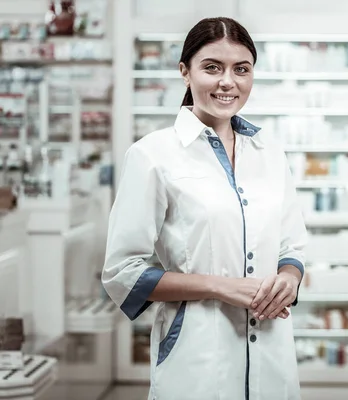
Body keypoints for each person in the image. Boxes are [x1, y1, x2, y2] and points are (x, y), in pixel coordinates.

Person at [102, 17, 307, 400]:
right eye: (212, 67)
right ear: (185, 72)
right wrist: (220, 287)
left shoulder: (270, 154)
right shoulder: (153, 155)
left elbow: (291, 246)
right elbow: (121, 272)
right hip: (197, 357)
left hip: (272, 349)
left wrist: (289, 279)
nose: (227, 81)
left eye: (240, 69)